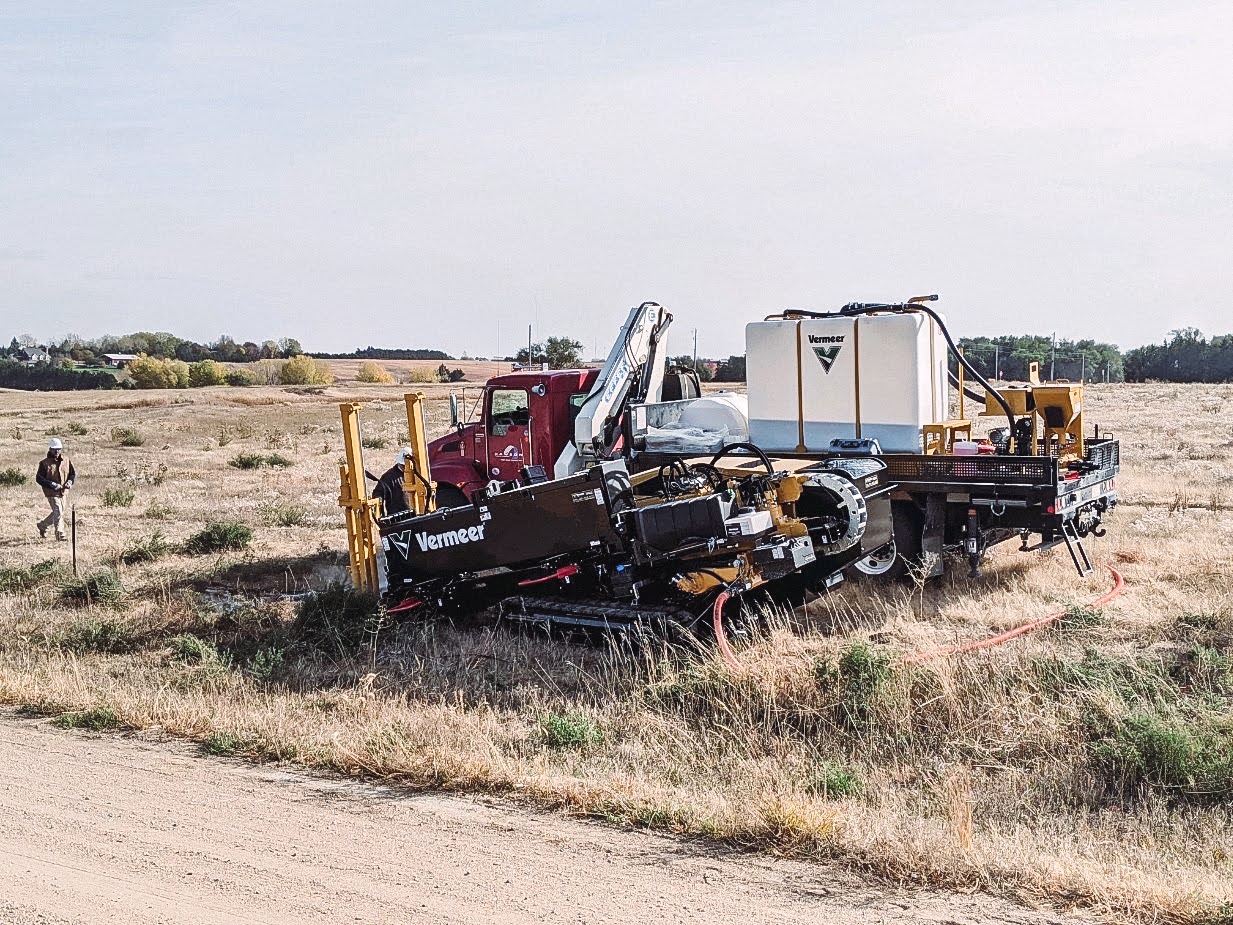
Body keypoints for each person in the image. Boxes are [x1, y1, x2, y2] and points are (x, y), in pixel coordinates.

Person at [35, 438, 76, 541]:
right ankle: (60, 534)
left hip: (63, 491)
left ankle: (43, 525)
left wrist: (70, 482)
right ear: (50, 449)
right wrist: (52, 484)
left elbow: (72, 474)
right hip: (51, 491)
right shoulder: (44, 463)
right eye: (54, 449)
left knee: (59, 512)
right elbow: (39, 479)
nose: (57, 451)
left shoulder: (66, 461)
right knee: (58, 511)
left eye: (58, 449)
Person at [372, 447, 412, 516]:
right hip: (398, 517)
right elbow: (378, 493)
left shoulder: (416, 474)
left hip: (416, 514)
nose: (405, 467)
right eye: (403, 465)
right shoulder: (389, 477)